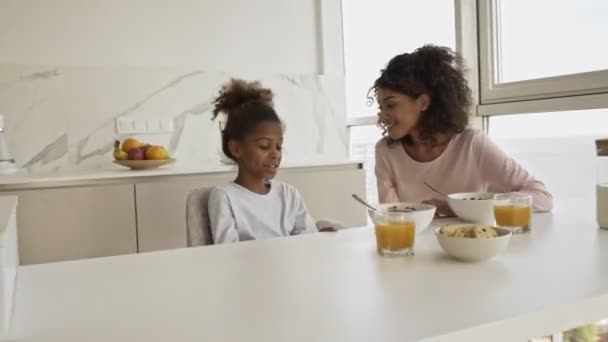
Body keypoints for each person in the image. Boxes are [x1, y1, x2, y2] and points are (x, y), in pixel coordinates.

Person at [373, 44, 553, 216]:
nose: (382, 115)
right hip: (414, 246)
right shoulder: (386, 151)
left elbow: (542, 197)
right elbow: (391, 218)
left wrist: (463, 207)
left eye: (391, 105)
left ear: (423, 102)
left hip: (468, 245)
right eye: (381, 107)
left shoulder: (472, 144)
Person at [207, 79, 333, 244]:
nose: (275, 154)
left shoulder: (289, 194)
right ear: (236, 149)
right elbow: (228, 252)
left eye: (279, 147)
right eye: (264, 146)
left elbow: (305, 242)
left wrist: (317, 238)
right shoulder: (224, 197)